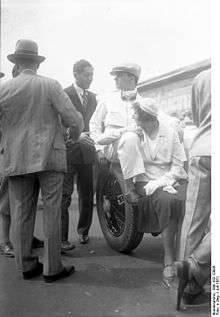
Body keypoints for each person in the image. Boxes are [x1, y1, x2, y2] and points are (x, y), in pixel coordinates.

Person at [0, 39, 84, 282]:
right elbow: (72, 118)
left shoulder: (4, 89)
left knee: (21, 212)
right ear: (36, 62)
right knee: (52, 210)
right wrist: (74, 132)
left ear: (16, 62)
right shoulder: (49, 85)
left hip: (16, 159)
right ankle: (52, 268)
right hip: (49, 156)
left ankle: (26, 265)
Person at [175, 69, 211, 310]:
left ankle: (188, 286)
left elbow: (198, 116)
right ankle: (197, 264)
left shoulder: (202, 77)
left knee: (193, 217)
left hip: (201, 147)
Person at [0, 65, 43, 258]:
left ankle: (25, 237)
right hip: (6, 155)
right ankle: (5, 241)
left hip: (19, 153)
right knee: (7, 202)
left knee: (23, 200)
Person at [90, 62, 143, 204]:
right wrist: (99, 149)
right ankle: (129, 187)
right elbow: (94, 124)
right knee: (130, 137)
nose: (115, 79)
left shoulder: (144, 102)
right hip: (111, 147)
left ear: (131, 78)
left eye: (119, 76)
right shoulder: (107, 99)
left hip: (137, 150)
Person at [61, 59, 97, 248]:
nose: (90, 79)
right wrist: (76, 135)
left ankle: (83, 231)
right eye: (86, 75)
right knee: (65, 196)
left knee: (87, 194)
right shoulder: (64, 94)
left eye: (92, 75)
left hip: (88, 152)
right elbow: (59, 122)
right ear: (76, 74)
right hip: (68, 152)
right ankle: (62, 239)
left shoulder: (94, 98)